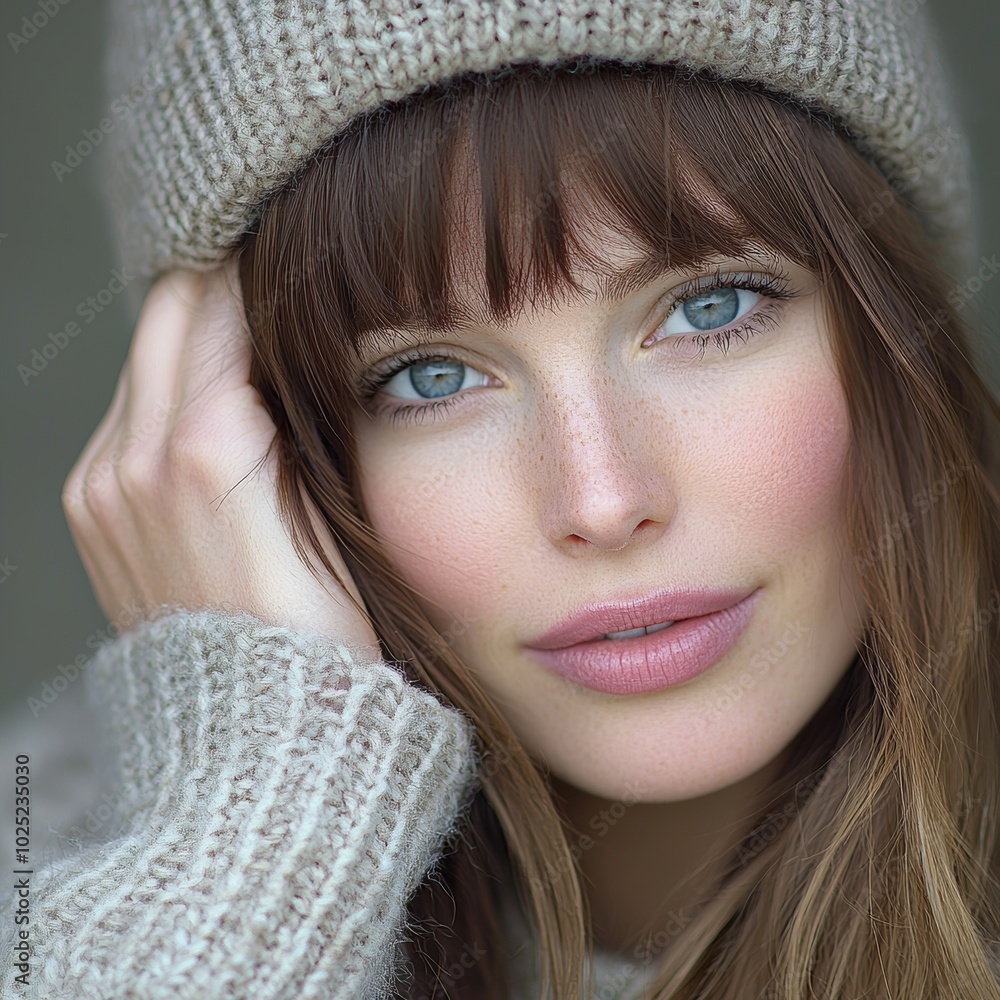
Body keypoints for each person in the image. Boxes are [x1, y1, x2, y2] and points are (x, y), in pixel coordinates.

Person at [4, 2, 1000, 998]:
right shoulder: (41, 877)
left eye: (711, 308)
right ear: (232, 438)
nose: (603, 500)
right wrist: (242, 848)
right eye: (430, 378)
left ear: (894, 322)